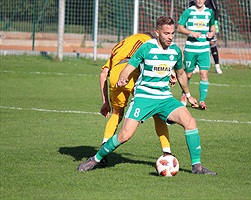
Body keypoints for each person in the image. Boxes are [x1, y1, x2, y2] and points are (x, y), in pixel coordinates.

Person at [78, 16, 217, 175]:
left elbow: (180, 74)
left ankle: (197, 167)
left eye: (172, 33)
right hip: (144, 97)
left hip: (165, 98)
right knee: (124, 135)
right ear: (157, 32)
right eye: (166, 33)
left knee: (190, 122)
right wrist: (123, 78)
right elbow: (130, 67)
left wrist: (188, 94)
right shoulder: (146, 48)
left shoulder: (176, 51)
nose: (170, 37)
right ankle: (95, 159)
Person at [98, 33, 174, 166]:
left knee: (116, 114)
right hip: (130, 72)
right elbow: (155, 59)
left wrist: (105, 102)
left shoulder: (119, 46)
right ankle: (167, 152)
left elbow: (103, 73)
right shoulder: (147, 41)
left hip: (115, 75)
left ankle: (104, 147)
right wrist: (171, 72)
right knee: (157, 112)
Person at [178, 0, 216, 110]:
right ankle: (184, 95)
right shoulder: (188, 12)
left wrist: (212, 33)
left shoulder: (209, 12)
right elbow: (180, 27)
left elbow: (212, 26)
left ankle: (202, 101)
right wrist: (191, 32)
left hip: (204, 49)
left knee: (204, 74)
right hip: (191, 49)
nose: (199, 0)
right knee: (188, 74)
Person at [190, 0, 222, 74]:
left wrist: (215, 22)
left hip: (209, 23)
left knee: (212, 43)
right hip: (198, 23)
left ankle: (217, 66)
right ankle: (197, 66)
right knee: (198, 43)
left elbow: (216, 9)